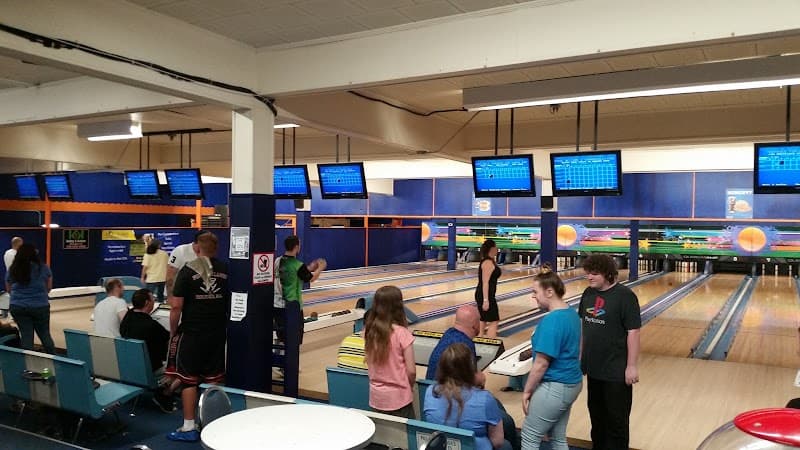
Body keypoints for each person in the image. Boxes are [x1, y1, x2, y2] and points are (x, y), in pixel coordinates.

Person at [426, 305, 519, 449]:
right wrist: (480, 378)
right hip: (462, 399)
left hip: (442, 401)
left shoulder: (429, 392)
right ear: (476, 325)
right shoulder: (466, 345)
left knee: (497, 407)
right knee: (506, 432)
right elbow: (497, 442)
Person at [165, 232, 229, 442]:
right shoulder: (225, 269)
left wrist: (174, 331)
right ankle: (215, 425)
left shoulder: (188, 269)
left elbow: (176, 306)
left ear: (197, 249)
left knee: (188, 381)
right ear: (216, 249)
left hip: (192, 333)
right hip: (217, 333)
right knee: (215, 379)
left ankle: (189, 427)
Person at [579, 254, 641, 450]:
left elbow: (634, 332)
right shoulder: (588, 293)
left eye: (594, 274)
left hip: (616, 371)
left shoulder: (625, 297)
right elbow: (583, 327)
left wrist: (631, 366)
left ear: (607, 274)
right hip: (593, 369)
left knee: (617, 424)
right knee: (597, 421)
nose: (589, 277)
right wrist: (580, 358)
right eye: (587, 273)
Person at [521, 265, 583, 449]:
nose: (533, 296)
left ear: (549, 292)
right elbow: (580, 349)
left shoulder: (552, 321)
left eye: (535, 291)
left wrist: (527, 391)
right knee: (558, 437)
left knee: (530, 435)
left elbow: (541, 364)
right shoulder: (572, 314)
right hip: (572, 383)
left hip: (555, 386)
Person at [424, 343, 511, 450]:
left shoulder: (430, 392)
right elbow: (497, 442)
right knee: (506, 445)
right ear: (471, 370)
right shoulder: (485, 399)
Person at [120, 288, 175, 412]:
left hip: (128, 366)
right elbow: (168, 340)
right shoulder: (151, 325)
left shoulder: (127, 319)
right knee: (182, 366)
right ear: (146, 303)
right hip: (148, 370)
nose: (154, 301)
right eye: (153, 299)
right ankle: (165, 394)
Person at [364, 285, 416, 419]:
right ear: (398, 307)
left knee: (382, 438)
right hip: (400, 398)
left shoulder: (369, 332)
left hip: (377, 398)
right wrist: (408, 386)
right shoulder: (402, 334)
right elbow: (411, 371)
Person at [275, 235, 325, 346]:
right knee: (293, 341)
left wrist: (310, 268)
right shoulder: (298, 265)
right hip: (293, 307)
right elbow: (311, 278)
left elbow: (293, 272)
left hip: (277, 306)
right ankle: (291, 362)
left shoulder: (277, 261)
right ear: (297, 247)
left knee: (281, 338)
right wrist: (320, 268)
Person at [4, 243, 54, 353]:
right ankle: (55, 361)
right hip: (40, 306)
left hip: (18, 306)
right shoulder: (43, 268)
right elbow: (49, 287)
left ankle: (28, 365)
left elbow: (9, 289)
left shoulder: (13, 269)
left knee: (26, 336)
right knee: (45, 335)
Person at [165, 229, 210, 297]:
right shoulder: (180, 251)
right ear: (197, 242)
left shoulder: (207, 253)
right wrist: (170, 296)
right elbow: (170, 276)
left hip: (197, 295)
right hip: (179, 294)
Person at [475, 239, 501, 338]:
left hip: (485, 294)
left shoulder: (489, 260)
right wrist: (486, 300)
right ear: (492, 248)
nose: (497, 249)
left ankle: (480, 337)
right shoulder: (487, 262)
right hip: (485, 295)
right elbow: (485, 283)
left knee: (483, 318)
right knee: (494, 320)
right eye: (496, 247)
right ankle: (491, 342)